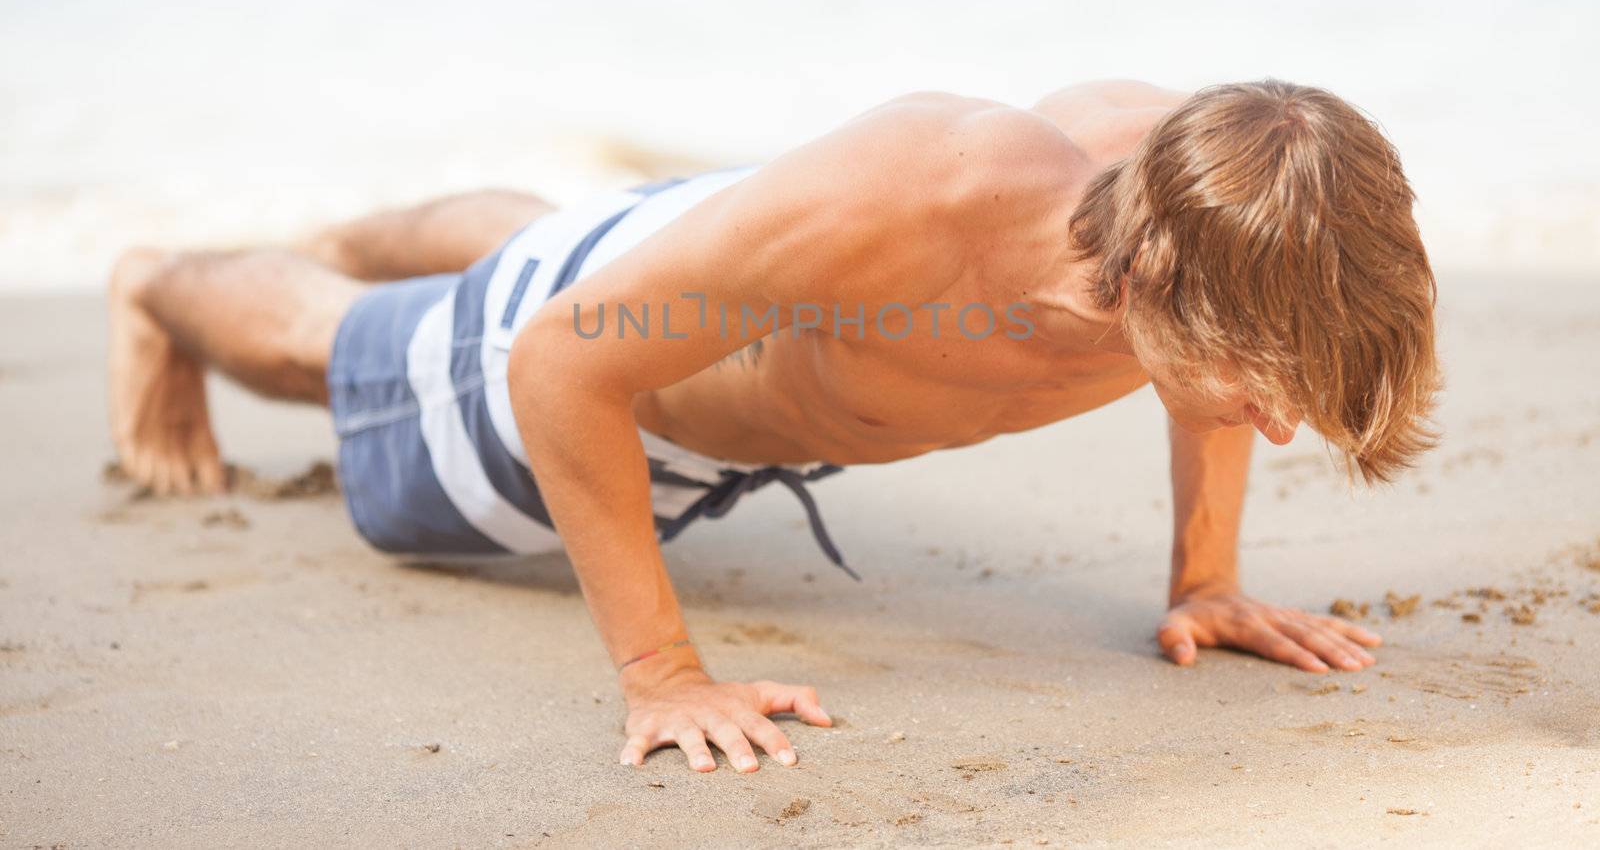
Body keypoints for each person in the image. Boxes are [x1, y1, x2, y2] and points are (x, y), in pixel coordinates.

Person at [107, 79, 1439, 774]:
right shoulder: (926, 196)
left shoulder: (1220, 201)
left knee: (553, 249)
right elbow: (566, 361)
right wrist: (661, 673)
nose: (1270, 432)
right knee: (334, 356)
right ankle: (162, 285)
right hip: (606, 361)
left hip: (723, 256)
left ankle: (366, 233)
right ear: (1144, 275)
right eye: (1258, 394)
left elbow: (1232, 347)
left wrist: (1206, 578)